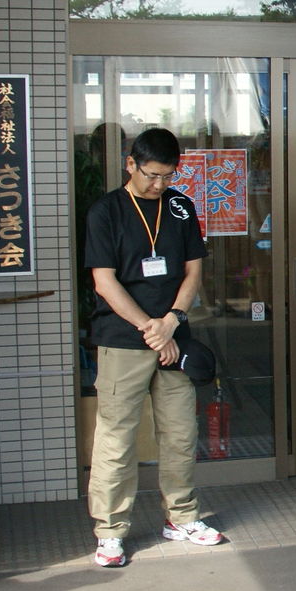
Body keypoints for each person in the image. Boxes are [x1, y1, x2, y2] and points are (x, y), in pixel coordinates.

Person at [83, 128, 225, 568]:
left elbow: (193, 272)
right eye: (151, 175)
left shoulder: (181, 207)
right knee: (116, 438)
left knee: (181, 433)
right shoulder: (106, 211)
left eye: (167, 175)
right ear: (131, 164)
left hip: (173, 338)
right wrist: (150, 328)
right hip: (123, 339)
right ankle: (110, 532)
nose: (159, 184)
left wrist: (172, 321)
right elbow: (103, 281)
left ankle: (181, 516)